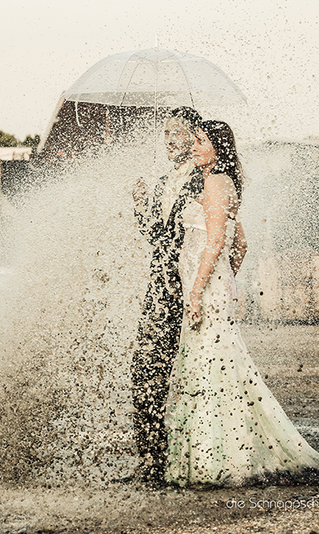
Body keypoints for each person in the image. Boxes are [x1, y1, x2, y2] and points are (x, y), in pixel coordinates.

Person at [163, 120, 319, 487]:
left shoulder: (215, 182)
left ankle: (216, 460)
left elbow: (215, 244)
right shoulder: (218, 182)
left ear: (218, 148)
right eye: (193, 141)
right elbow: (241, 244)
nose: (193, 147)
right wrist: (225, 281)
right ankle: (214, 455)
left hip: (204, 288)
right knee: (211, 365)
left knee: (212, 367)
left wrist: (198, 291)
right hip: (212, 285)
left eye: (201, 142)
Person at [131, 106, 203, 482]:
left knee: (195, 376)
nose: (170, 140)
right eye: (166, 133)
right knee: (144, 371)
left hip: (192, 291)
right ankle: (151, 460)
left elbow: (221, 238)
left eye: (177, 132)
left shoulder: (208, 180)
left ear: (195, 136)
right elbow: (157, 239)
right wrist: (141, 207)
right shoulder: (161, 183)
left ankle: (190, 459)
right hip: (159, 291)